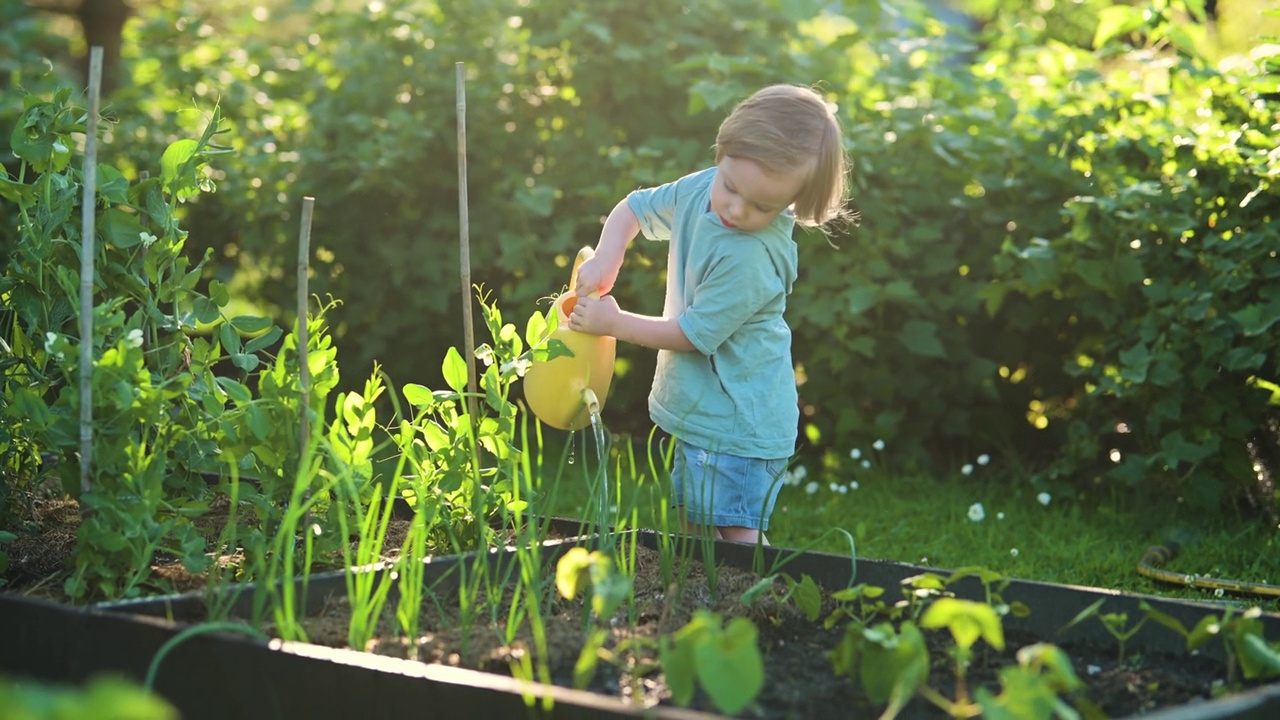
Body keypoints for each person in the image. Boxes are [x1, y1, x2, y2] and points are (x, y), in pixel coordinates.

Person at [568, 84, 853, 545]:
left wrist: (614, 324)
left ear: (792, 203)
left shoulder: (753, 257)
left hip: (742, 422)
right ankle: (703, 608)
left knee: (736, 537)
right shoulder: (702, 187)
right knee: (695, 529)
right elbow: (634, 209)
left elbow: (692, 334)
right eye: (731, 187)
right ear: (723, 154)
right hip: (707, 410)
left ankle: (760, 607)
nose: (736, 209)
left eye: (763, 206)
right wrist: (606, 256)